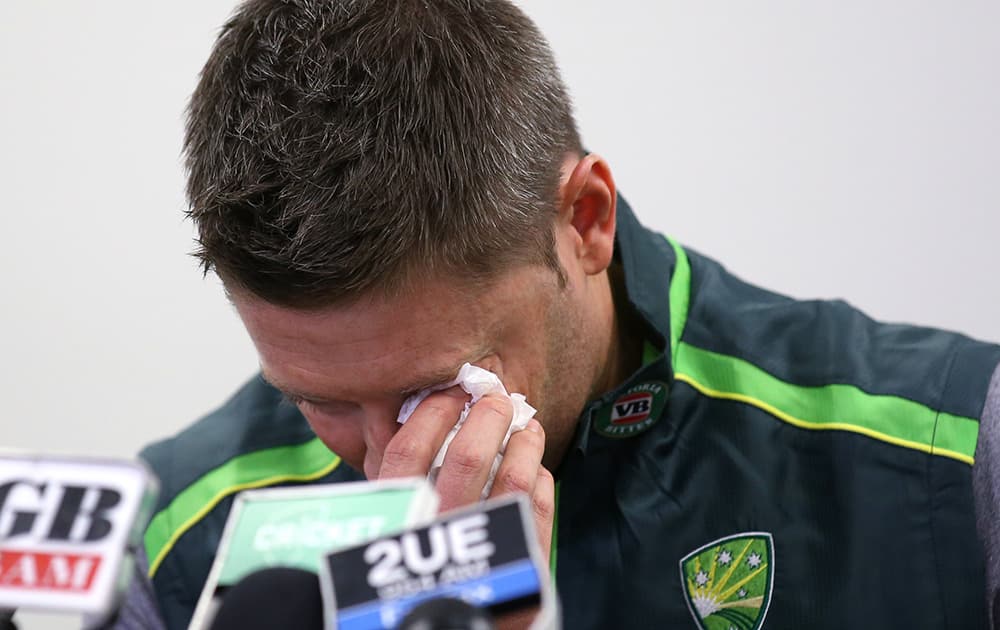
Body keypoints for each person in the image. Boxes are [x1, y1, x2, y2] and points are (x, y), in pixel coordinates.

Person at [125, 0, 1000, 628]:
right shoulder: (170, 542)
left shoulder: (953, 452)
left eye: (433, 390)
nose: (385, 460)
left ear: (586, 220)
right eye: (314, 398)